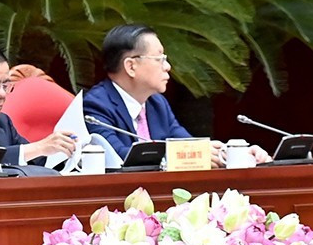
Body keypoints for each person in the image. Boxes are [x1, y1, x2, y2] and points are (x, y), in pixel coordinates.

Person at [72, 23, 266, 168]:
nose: (167, 66)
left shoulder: (157, 103)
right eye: (159, 58)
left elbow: (187, 144)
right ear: (131, 66)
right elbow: (121, 157)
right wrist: (193, 155)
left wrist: (235, 154)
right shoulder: (96, 106)